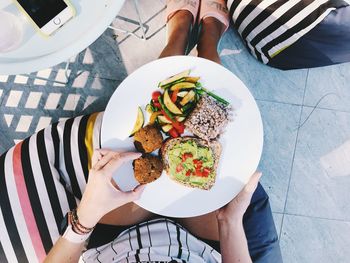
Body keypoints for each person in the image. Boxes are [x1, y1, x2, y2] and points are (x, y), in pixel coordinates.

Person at [45, 149, 281, 262]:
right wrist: (230, 221)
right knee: (211, 150)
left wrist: (86, 217)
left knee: (124, 151)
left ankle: (174, 48)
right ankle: (207, 50)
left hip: (114, 240)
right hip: (199, 245)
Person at [161, 0, 350, 69]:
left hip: (254, 10)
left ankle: (180, 28)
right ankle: (208, 38)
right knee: (210, 34)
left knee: (177, 35)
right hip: (279, 54)